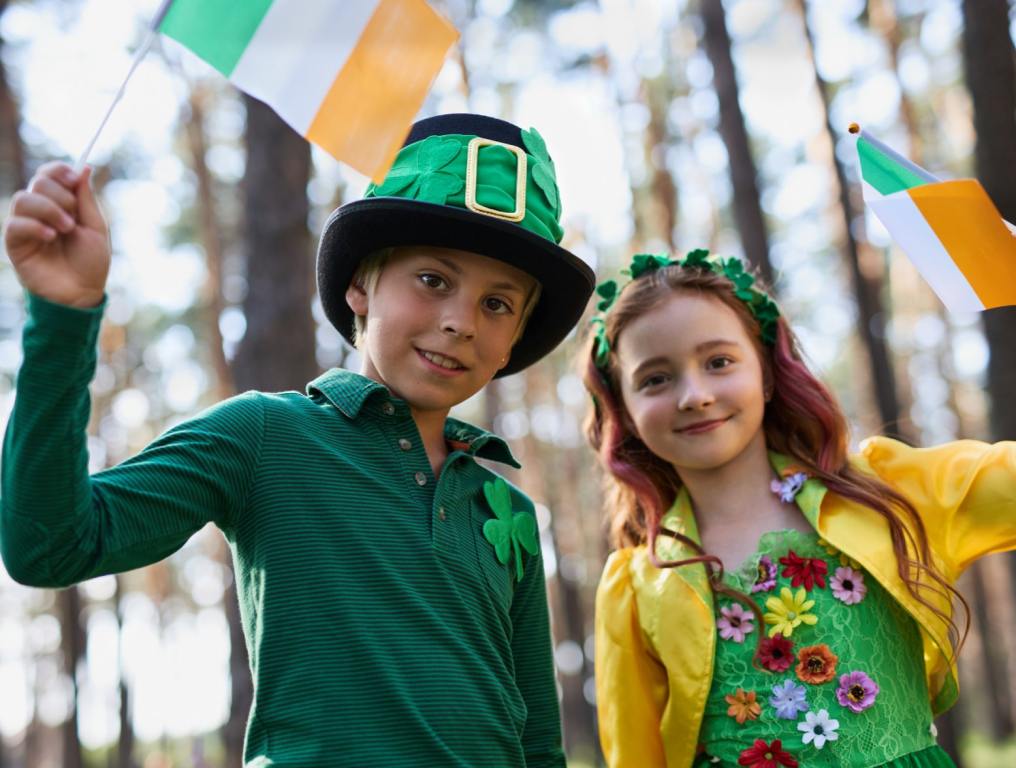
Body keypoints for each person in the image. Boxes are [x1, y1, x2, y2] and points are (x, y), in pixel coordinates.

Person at [1, 113, 595, 767]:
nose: (459, 322)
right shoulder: (264, 433)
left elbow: (538, 739)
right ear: (360, 285)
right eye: (433, 281)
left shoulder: (506, 509)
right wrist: (63, 317)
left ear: (516, 337)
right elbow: (48, 548)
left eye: (498, 304)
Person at [582, 249, 1015, 767]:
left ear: (765, 373)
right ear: (625, 413)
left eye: (718, 362)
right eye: (655, 378)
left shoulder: (887, 493)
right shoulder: (637, 585)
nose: (694, 395)